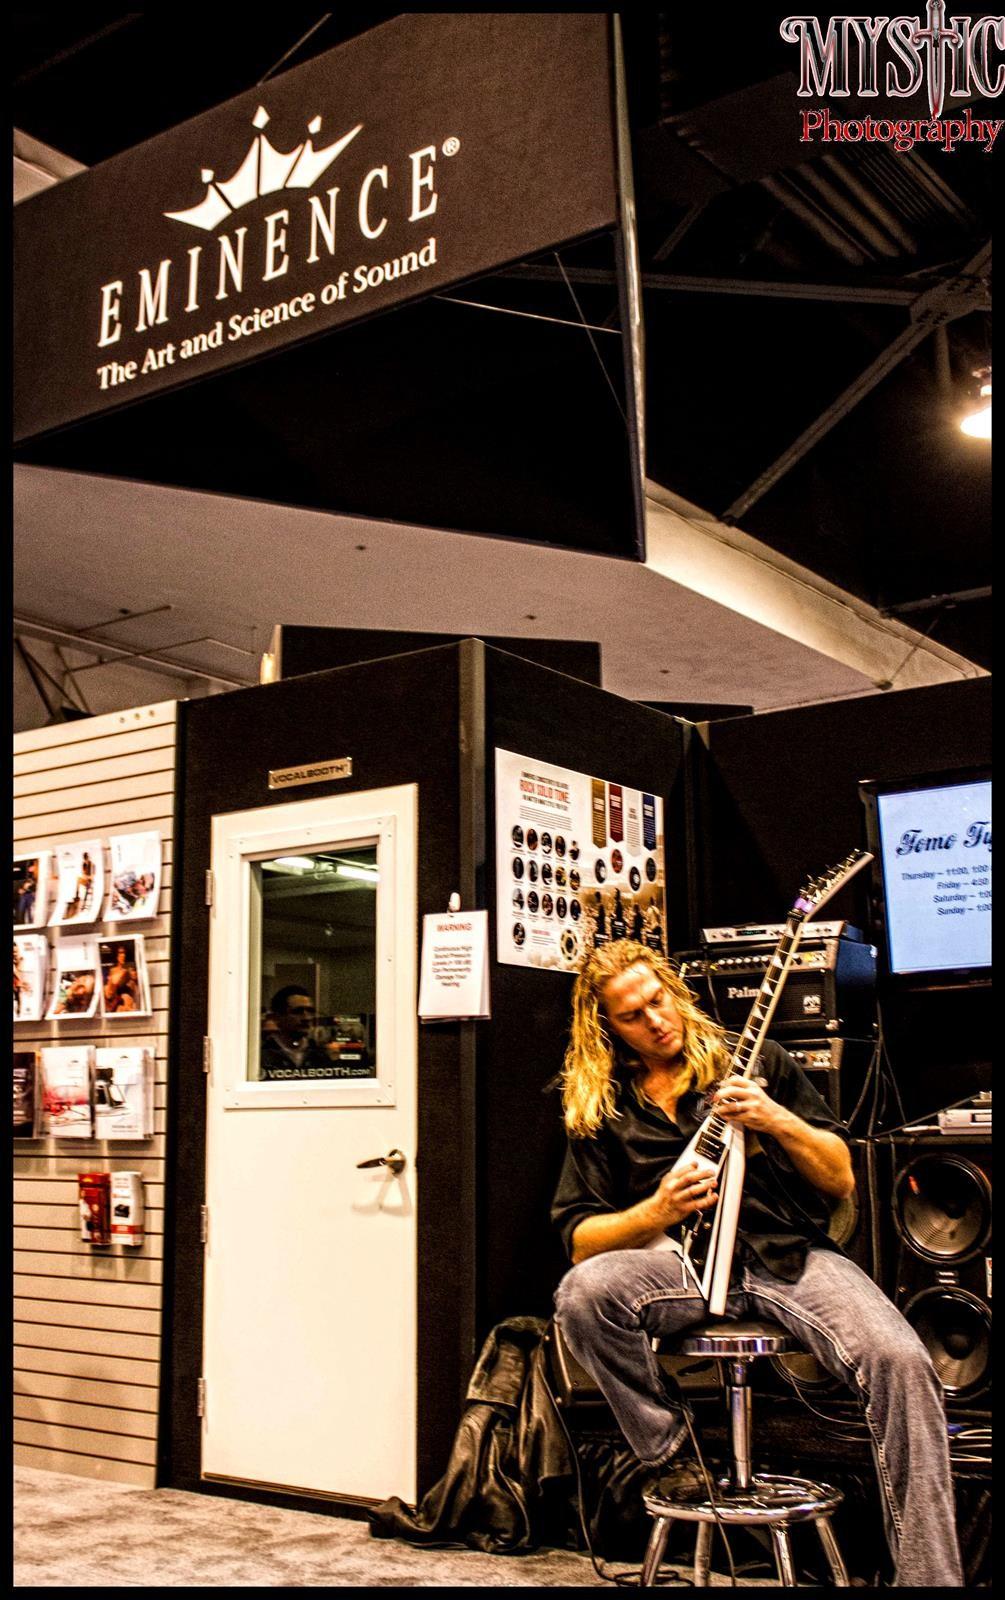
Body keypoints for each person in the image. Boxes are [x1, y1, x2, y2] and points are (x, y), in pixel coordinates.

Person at [551, 939, 963, 1588]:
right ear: (608, 1028)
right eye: (632, 1015)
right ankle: (669, 1451)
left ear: (675, 993)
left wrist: (774, 1119)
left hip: (786, 1257)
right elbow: (580, 1239)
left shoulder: (757, 1062)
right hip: (680, 1269)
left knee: (901, 1360)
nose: (654, 1020)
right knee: (581, 1294)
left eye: (658, 1001)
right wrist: (656, 1210)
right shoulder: (604, 1107)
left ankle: (929, 1578)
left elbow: (839, 1178)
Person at [259, 986, 333, 1079]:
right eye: (297, 1012)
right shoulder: (261, 1055)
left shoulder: (319, 1055)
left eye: (310, 1011)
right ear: (277, 1017)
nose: (307, 1018)